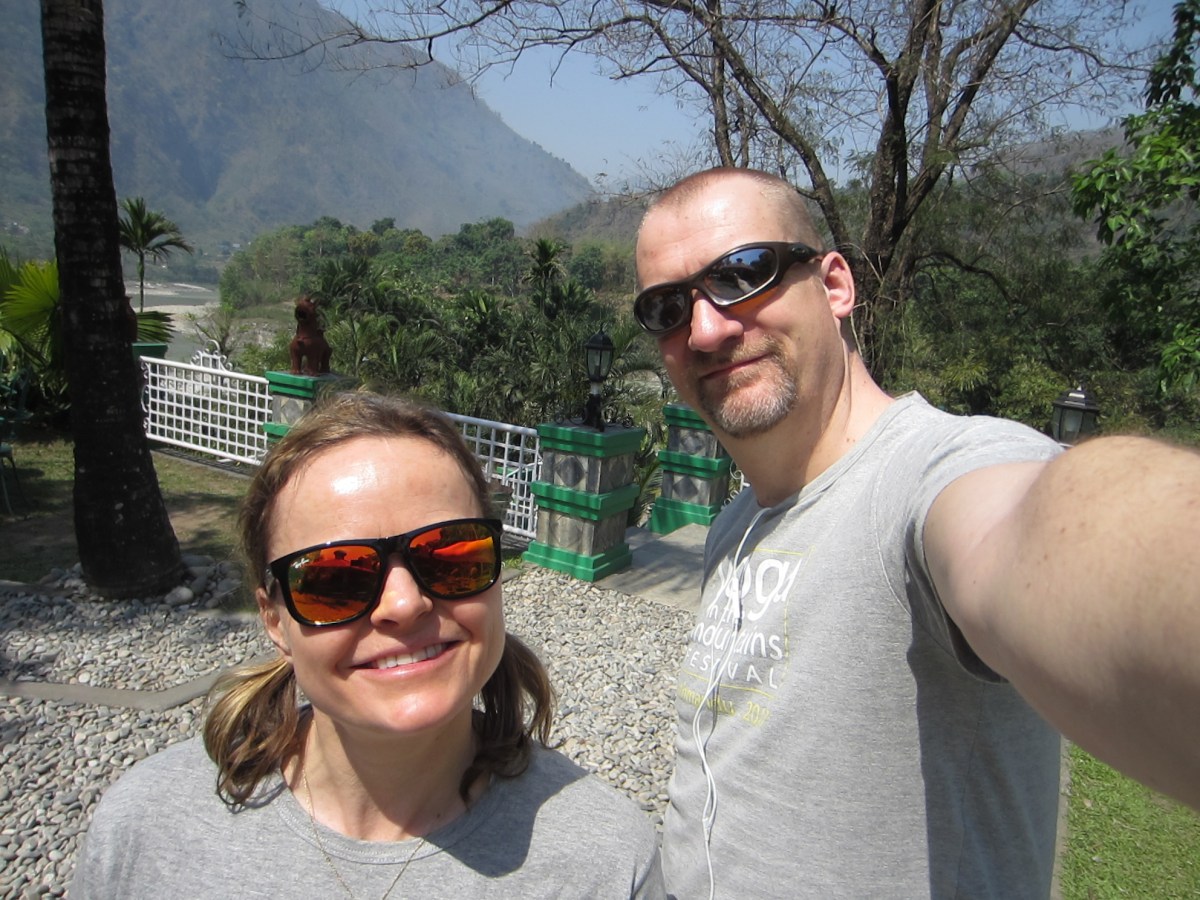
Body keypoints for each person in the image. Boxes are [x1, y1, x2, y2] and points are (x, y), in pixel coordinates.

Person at [632, 167, 1200, 899]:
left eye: (743, 274)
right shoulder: (735, 525)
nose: (706, 329)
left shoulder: (928, 476)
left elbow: (1036, 530)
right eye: (668, 307)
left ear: (835, 285)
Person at [69, 391, 664, 899]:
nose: (403, 604)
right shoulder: (147, 830)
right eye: (334, 578)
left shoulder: (608, 861)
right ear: (274, 619)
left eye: (450, 554)